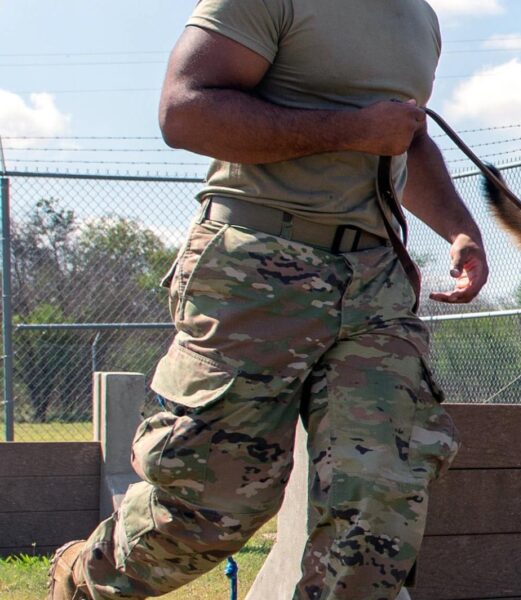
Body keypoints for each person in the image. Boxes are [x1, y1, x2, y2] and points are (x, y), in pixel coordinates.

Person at [48, 1, 488, 598]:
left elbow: (407, 142)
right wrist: (351, 130)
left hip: (376, 280)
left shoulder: (418, 17)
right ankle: (84, 577)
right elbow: (184, 110)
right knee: (210, 507)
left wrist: (461, 230)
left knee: (379, 508)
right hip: (257, 265)